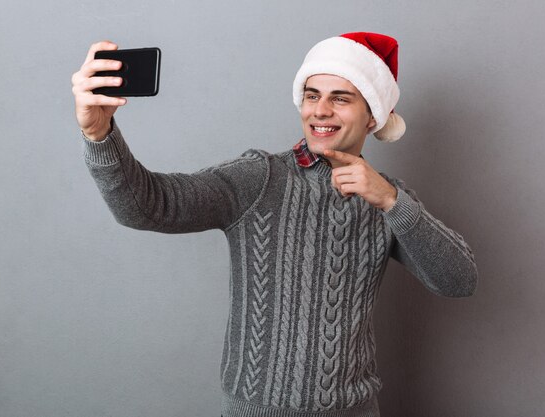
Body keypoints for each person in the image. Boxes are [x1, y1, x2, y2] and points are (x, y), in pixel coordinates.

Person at [72, 32, 478, 417]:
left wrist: (393, 201)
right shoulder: (260, 177)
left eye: (341, 98)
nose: (320, 110)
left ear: (373, 116)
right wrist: (99, 133)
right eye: (311, 95)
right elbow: (147, 207)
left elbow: (458, 281)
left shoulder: (387, 198)